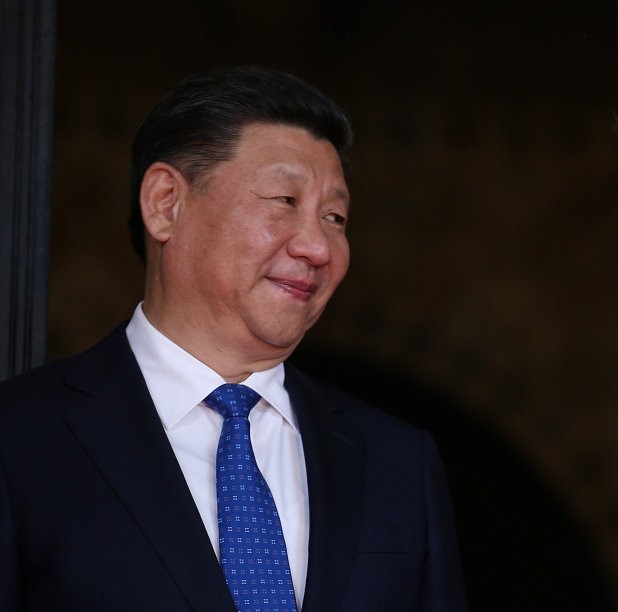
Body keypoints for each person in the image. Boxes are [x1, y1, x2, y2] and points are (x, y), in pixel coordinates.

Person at [0, 66, 468, 611]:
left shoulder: (397, 461)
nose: (318, 248)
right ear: (165, 203)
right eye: (284, 201)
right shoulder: (21, 438)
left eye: (335, 216)